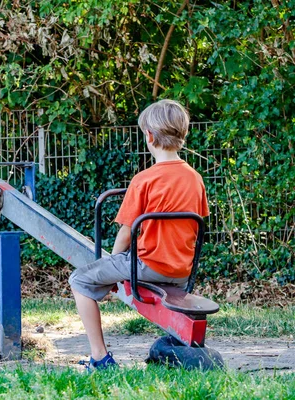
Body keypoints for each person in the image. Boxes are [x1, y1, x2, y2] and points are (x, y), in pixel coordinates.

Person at [69, 99, 209, 371]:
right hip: (181, 270)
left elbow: (125, 234)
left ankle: (99, 357)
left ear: (150, 136)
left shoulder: (144, 179)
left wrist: (114, 267)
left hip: (146, 266)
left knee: (80, 281)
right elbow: (194, 224)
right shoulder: (195, 178)